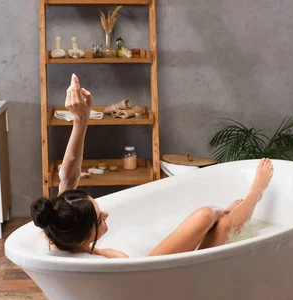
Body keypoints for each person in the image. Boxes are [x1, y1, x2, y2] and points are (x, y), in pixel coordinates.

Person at [31, 74, 274, 259]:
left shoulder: (59, 237)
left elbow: (68, 178)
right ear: (86, 236)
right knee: (218, 226)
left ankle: (229, 208)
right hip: (169, 287)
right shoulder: (118, 266)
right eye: (99, 219)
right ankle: (257, 192)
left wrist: (80, 121)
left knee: (215, 219)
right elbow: (202, 217)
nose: (106, 213)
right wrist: (221, 209)